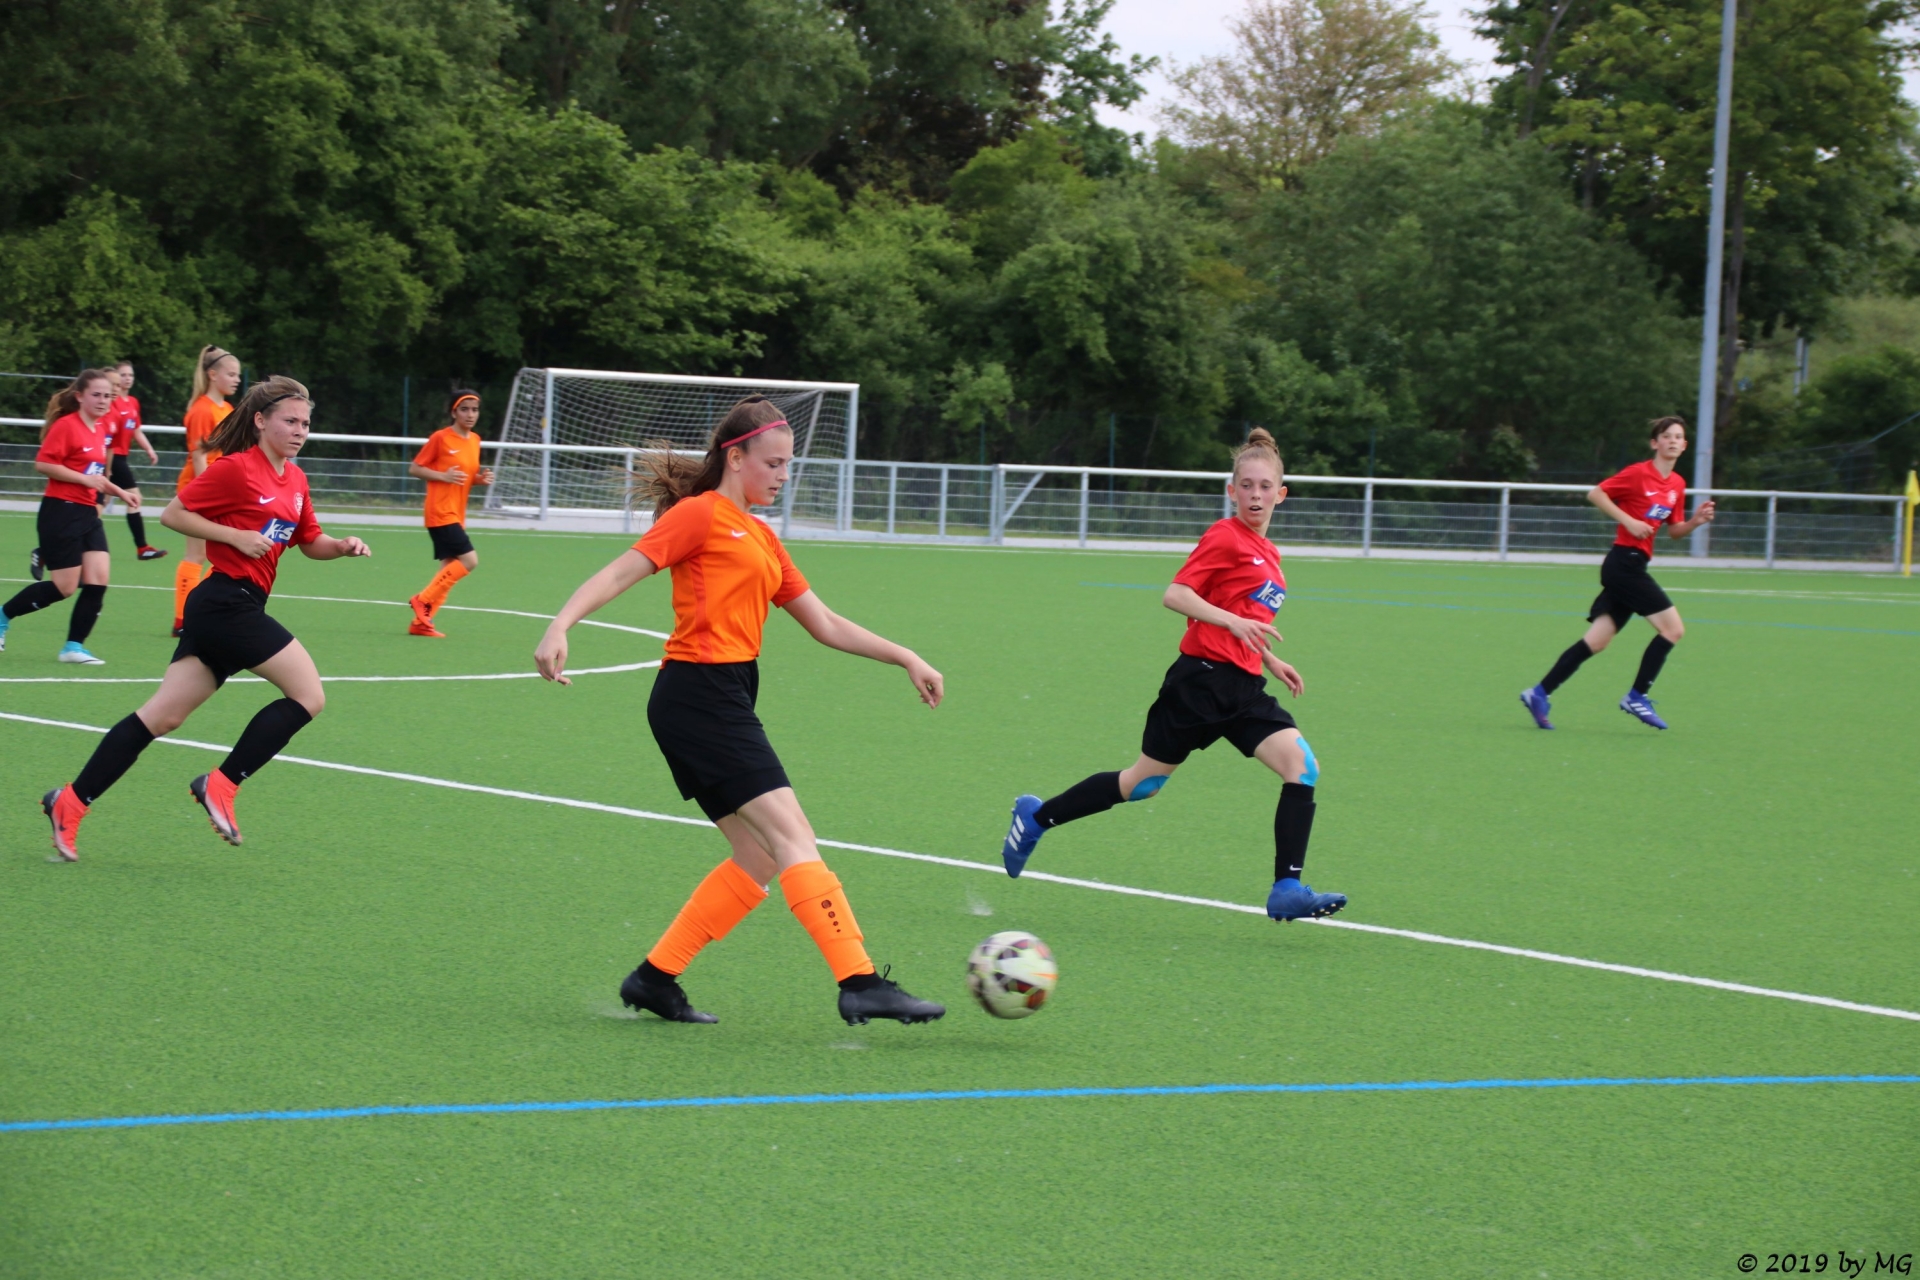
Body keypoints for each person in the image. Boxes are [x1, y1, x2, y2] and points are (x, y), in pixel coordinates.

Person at [535, 396, 948, 1027]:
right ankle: (860, 981)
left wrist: (905, 656)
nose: (783, 475)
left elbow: (824, 622)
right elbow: (620, 573)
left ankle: (654, 979)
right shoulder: (700, 514)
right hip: (699, 695)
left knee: (759, 856)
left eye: (789, 464)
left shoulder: (762, 536)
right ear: (736, 458)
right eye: (773, 463)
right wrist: (560, 623)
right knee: (793, 838)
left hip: (719, 695)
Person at [1000, 427, 1348, 924]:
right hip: (1199, 683)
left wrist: (1270, 659)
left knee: (1302, 766)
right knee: (1142, 785)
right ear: (1231, 491)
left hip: (1244, 688)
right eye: (1246, 485)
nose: (1255, 494)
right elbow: (1176, 595)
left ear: (1281, 494)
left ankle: (1287, 888)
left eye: (1265, 486)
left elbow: (1244, 615)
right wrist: (1232, 624)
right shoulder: (1224, 535)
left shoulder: (1269, 554)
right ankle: (1036, 817)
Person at [41, 377, 371, 862]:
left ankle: (69, 803)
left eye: (305, 423)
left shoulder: (296, 480)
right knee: (309, 696)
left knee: (162, 716)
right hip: (225, 603)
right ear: (260, 421)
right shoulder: (236, 469)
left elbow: (310, 541)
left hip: (235, 605)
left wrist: (340, 546)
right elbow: (173, 515)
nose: (300, 430)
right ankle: (221, 785)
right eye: (290, 421)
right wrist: (234, 537)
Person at [1519, 416, 1717, 732]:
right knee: (1673, 629)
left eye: (1678, 437)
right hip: (1623, 564)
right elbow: (1596, 494)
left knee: (1597, 642)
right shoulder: (1638, 473)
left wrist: (1695, 522)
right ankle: (1637, 696)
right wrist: (1628, 520)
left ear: (1685, 445)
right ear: (1655, 443)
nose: (1673, 441)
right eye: (1666, 436)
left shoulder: (1677, 485)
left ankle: (1538, 693)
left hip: (1634, 565)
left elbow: (1674, 531)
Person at [1, 370, 137, 664]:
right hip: (61, 511)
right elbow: (43, 464)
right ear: (79, 396)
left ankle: (73, 647)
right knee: (64, 587)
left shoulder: (100, 428)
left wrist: (121, 492)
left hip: (87, 513)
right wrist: (84, 480)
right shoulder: (66, 426)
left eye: (107, 396)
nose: (103, 400)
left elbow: (95, 475)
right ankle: (2, 617)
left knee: (98, 579)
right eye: (96, 395)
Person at [404, 390, 494, 637]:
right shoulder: (440, 438)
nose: (470, 414)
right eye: (464, 409)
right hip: (440, 511)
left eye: (474, 409)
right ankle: (422, 600)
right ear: (454, 412)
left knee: (448, 570)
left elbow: (464, 476)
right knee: (469, 560)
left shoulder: (475, 440)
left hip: (457, 513)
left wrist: (479, 480)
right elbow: (415, 468)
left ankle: (421, 623)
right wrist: (442, 476)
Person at [173, 345, 241, 636]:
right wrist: (209, 497)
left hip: (218, 489)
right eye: (231, 374)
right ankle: (182, 620)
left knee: (223, 556)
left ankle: (204, 614)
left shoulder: (226, 409)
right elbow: (199, 457)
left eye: (237, 375)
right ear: (212, 375)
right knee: (196, 553)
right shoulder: (202, 409)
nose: (237, 379)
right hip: (200, 489)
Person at [107, 360, 168, 560]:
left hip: (119, 457)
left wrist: (149, 449)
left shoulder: (132, 402)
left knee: (97, 504)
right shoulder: (109, 401)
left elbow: (135, 430)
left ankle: (53, 547)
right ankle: (142, 547)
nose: (127, 379)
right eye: (123, 375)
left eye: (130, 375)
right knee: (134, 497)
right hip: (112, 457)